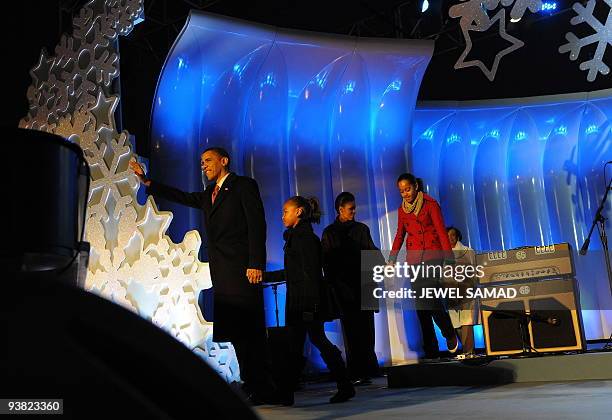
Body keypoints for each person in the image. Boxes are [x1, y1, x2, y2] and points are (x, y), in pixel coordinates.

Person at [129, 148, 283, 405]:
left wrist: (256, 263)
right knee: (235, 332)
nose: (204, 166)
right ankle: (251, 383)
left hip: (243, 270)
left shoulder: (243, 185)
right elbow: (184, 197)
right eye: (201, 163)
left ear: (224, 161)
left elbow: (257, 225)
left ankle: (264, 386)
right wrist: (148, 182)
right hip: (223, 273)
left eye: (208, 161)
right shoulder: (209, 195)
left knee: (250, 331)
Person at [265, 196, 355, 404]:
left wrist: (310, 304)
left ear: (298, 212)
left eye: (286, 211)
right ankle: (343, 384)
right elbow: (294, 272)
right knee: (312, 341)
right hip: (303, 300)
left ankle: (287, 393)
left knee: (300, 344)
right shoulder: (298, 237)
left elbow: (311, 273)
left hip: (305, 301)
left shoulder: (304, 238)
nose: (282, 215)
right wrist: (266, 277)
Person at [389, 173, 458, 359]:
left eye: (408, 189)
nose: (405, 193)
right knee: (422, 309)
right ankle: (431, 350)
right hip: (414, 261)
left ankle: (449, 331)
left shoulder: (430, 204)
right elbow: (399, 235)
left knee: (433, 302)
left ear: (415, 187)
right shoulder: (402, 210)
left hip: (432, 256)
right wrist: (392, 258)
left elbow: (442, 232)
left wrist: (449, 259)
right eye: (402, 191)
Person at [321, 192, 382, 385]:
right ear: (340, 209)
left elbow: (372, 252)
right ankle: (357, 369)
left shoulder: (361, 229)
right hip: (344, 286)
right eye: (351, 208)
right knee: (352, 328)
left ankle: (368, 368)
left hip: (363, 283)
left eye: (354, 208)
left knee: (366, 327)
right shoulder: (330, 232)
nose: (354, 211)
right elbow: (327, 261)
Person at [446, 226, 479, 357]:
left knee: (466, 321)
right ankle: (466, 350)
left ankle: (469, 352)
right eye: (447, 236)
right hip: (450, 292)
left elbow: (474, 272)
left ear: (458, 236)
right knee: (456, 323)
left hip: (466, 291)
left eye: (452, 235)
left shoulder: (467, 251)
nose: (450, 238)